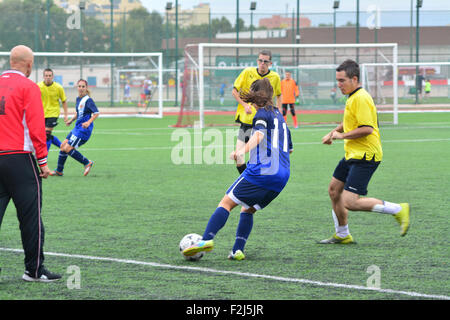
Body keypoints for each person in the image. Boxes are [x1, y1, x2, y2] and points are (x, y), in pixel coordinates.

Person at [183, 78, 293, 260]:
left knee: (226, 203)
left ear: (255, 95)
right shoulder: (280, 118)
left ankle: (206, 239)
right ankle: (237, 250)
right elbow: (289, 149)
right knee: (248, 209)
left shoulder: (261, 115)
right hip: (282, 176)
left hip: (262, 172)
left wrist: (241, 150)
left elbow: (258, 135)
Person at [319, 59, 410, 244]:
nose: (339, 85)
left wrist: (341, 137)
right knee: (334, 191)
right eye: (337, 81)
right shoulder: (352, 97)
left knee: (350, 202)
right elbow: (349, 122)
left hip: (366, 155)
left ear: (354, 79)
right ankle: (342, 234)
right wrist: (332, 133)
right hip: (353, 154)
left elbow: (367, 128)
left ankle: (398, 209)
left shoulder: (361, 97)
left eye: (342, 80)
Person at [0, 45, 61, 282]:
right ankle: (34, 270)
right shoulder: (29, 87)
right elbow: (36, 127)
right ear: (28, 64)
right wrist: (44, 163)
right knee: (31, 217)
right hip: (19, 159)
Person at [232, 50, 282, 175]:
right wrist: (244, 105)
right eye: (260, 60)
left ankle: (253, 184)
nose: (262, 63)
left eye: (265, 61)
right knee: (239, 157)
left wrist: (279, 113)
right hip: (247, 123)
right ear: (257, 61)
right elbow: (234, 91)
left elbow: (279, 96)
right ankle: (247, 182)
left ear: (270, 63)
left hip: (265, 124)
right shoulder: (248, 72)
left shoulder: (275, 77)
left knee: (261, 160)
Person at [50, 79, 99, 177]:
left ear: (86, 88)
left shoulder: (88, 100)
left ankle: (86, 162)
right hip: (77, 128)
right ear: (77, 87)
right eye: (79, 86)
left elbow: (96, 113)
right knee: (63, 146)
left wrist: (88, 122)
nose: (81, 88)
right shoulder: (78, 99)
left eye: (83, 86)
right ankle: (59, 171)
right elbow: (78, 112)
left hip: (83, 130)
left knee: (67, 148)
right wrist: (71, 120)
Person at [38, 68, 68, 151]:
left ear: (53, 76)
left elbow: (64, 101)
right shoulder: (38, 86)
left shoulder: (58, 87)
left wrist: (66, 115)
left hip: (53, 113)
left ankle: (44, 157)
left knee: (46, 134)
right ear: (43, 76)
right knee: (43, 135)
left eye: (50, 76)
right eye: (46, 75)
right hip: (41, 114)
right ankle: (64, 148)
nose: (48, 77)